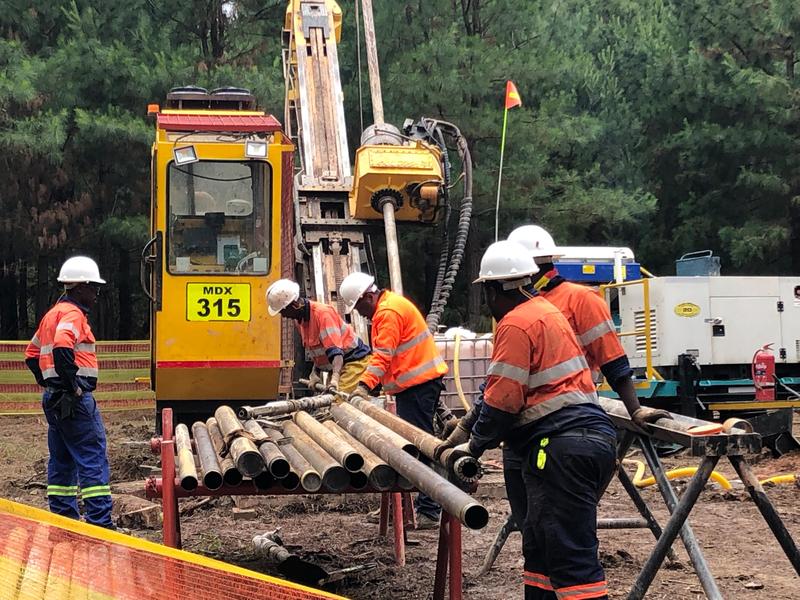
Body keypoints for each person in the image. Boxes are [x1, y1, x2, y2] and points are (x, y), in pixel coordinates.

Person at [455, 239, 617, 599]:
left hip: (561, 447)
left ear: (495, 290)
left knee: (570, 556)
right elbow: (500, 388)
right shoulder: (547, 312)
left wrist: (473, 449)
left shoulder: (514, 324)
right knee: (541, 546)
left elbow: (502, 402)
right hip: (587, 439)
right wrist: (468, 431)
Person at [339, 272, 448, 529]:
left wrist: (364, 386)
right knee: (410, 445)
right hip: (414, 387)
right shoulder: (388, 308)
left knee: (420, 446)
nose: (361, 313)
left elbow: (382, 357)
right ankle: (401, 508)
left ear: (368, 296)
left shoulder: (388, 313)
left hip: (418, 387)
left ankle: (430, 511)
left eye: (360, 306)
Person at [24, 256, 113, 528]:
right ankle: (101, 524)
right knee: (92, 457)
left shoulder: (51, 315)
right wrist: (72, 386)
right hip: (74, 401)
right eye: (93, 288)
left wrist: (49, 382)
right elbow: (63, 346)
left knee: (62, 459)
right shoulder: (73, 315)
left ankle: (64, 524)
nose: (96, 294)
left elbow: (31, 355)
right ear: (79, 286)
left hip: (54, 399)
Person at [266, 279, 371, 393]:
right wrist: (314, 372)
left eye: (283, 311)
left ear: (295, 305)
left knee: (338, 403)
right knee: (330, 403)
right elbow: (318, 351)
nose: (284, 316)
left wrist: (335, 379)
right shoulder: (300, 321)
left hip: (353, 362)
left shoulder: (323, 314)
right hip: (339, 366)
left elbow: (336, 352)